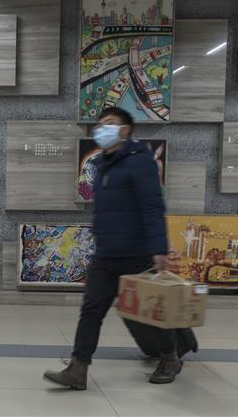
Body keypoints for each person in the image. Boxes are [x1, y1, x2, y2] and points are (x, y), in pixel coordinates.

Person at [44, 106, 181, 389]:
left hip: (137, 253)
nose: (101, 128)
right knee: (91, 310)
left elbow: (153, 207)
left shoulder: (140, 162)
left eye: (109, 123)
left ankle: (170, 357)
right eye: (100, 123)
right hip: (106, 254)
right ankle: (77, 369)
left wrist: (158, 249)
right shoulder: (103, 164)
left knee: (152, 312)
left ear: (124, 129)